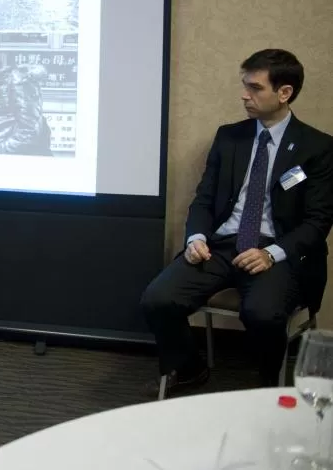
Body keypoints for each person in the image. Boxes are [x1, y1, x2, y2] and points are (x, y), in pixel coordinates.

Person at [141, 49, 333, 396]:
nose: (245, 94)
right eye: (245, 86)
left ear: (284, 92)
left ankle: (265, 386)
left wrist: (272, 253)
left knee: (262, 313)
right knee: (158, 298)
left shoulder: (317, 148)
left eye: (255, 87)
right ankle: (190, 368)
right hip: (222, 245)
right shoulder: (230, 137)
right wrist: (196, 237)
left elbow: (318, 222)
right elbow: (204, 198)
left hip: (275, 252)